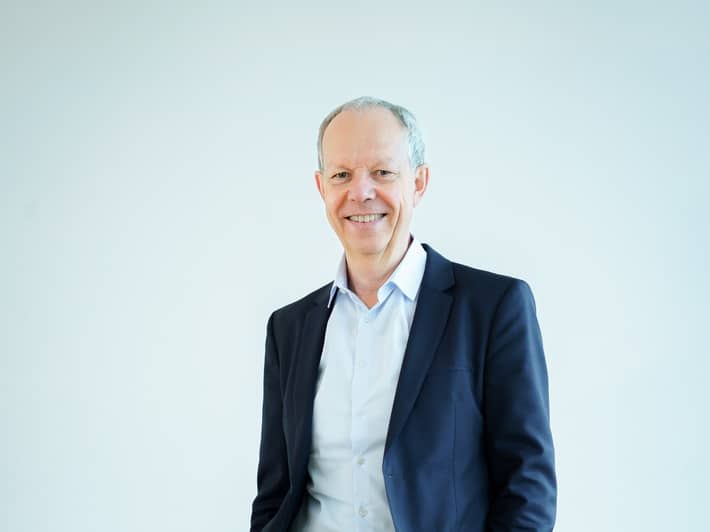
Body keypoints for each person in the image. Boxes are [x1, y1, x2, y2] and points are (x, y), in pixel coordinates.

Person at [250, 96, 556, 532]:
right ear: (322, 188)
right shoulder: (289, 328)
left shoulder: (493, 308)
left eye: (382, 172)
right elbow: (274, 494)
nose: (360, 192)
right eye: (341, 175)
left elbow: (528, 487)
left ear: (419, 182)